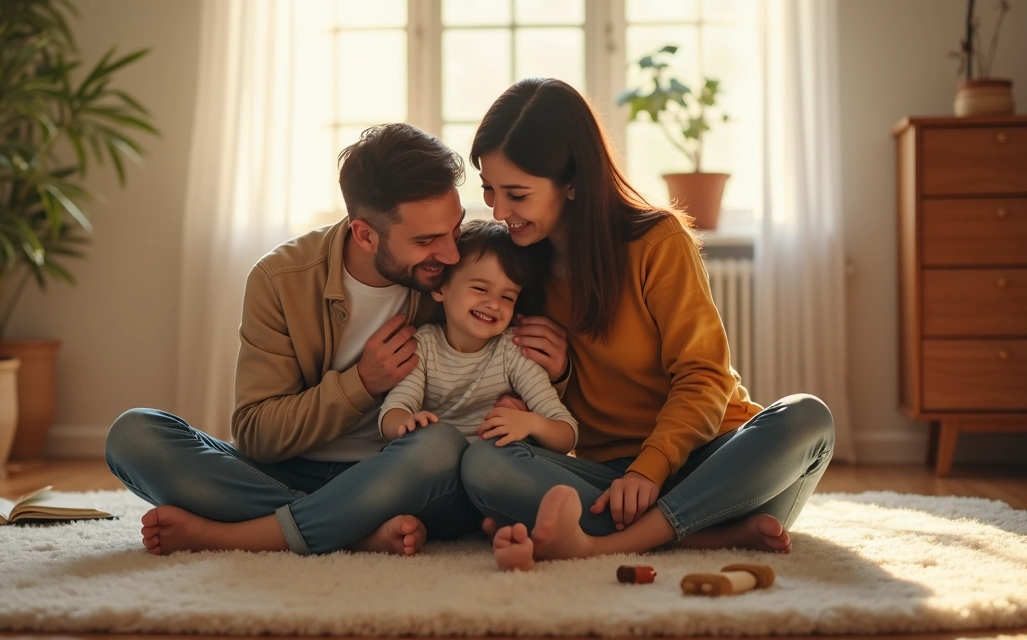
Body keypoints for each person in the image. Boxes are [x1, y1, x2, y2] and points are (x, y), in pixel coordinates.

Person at [103, 123, 570, 557]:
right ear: (365, 234)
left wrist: (555, 372)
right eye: (427, 240)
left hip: (403, 474)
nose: (449, 252)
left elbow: (510, 378)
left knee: (442, 446)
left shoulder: (460, 273)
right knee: (135, 436)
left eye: (454, 228)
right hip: (293, 468)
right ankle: (355, 528)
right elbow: (257, 434)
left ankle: (257, 531)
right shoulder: (280, 278)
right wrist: (361, 385)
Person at [458, 78, 836, 571]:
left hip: (714, 462)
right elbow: (539, 405)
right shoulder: (518, 268)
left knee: (809, 419)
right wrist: (556, 377)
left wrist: (650, 470)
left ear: (572, 182)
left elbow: (705, 377)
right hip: (607, 478)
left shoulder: (658, 242)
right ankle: (703, 535)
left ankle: (607, 543)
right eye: (488, 189)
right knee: (483, 463)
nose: (499, 211)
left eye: (517, 194)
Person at [379, 218, 576, 457]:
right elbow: (393, 410)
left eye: (507, 297)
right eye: (480, 289)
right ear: (441, 288)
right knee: (431, 443)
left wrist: (530, 422)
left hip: (491, 470)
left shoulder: (513, 350)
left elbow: (566, 432)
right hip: (433, 467)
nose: (493, 303)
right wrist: (407, 423)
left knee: (489, 456)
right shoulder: (424, 346)